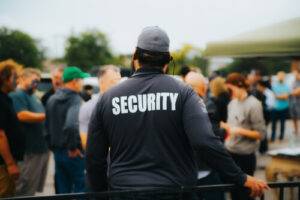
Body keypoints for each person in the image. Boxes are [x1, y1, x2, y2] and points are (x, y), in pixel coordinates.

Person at [86, 26, 268, 200]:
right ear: (168, 61)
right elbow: (205, 141)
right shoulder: (184, 93)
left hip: (125, 191)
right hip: (174, 190)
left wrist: (101, 193)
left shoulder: (107, 98)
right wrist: (240, 177)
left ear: (135, 56)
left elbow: (95, 156)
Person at [221, 72, 266, 200]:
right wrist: (226, 128)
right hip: (230, 153)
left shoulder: (254, 104)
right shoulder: (232, 103)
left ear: (239, 85)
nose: (228, 92)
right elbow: (232, 127)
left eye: (230, 89)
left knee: (244, 194)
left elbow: (261, 134)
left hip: (245, 157)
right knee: (234, 193)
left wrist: (239, 131)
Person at [45, 66, 90, 194]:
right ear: (75, 81)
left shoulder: (52, 98)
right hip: (73, 152)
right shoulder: (75, 99)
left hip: (58, 152)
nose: (82, 83)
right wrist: (72, 148)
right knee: (80, 188)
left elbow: (46, 128)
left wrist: (53, 148)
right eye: (81, 79)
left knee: (63, 190)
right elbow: (71, 125)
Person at [9, 68, 49, 196]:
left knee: (32, 189)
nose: (36, 84)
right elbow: (21, 115)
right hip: (28, 151)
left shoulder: (33, 96)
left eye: (38, 81)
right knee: (24, 188)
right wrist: (46, 116)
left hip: (40, 149)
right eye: (34, 81)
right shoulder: (17, 95)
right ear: (22, 79)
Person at [185, 71, 224, 200]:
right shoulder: (207, 106)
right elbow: (212, 139)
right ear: (203, 87)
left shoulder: (178, 106)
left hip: (188, 172)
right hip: (201, 172)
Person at [79, 65, 121, 149]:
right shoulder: (88, 107)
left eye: (119, 81)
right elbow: (85, 143)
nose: (118, 85)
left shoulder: (123, 103)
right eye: (113, 82)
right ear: (101, 82)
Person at [0, 60, 25, 198]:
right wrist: (10, 164)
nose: (18, 81)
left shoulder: (6, 98)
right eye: (15, 77)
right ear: (5, 78)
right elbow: (0, 135)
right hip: (3, 165)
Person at [271, 71, 290, 142]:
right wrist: (282, 95)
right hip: (275, 108)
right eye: (280, 76)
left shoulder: (287, 86)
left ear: (284, 77)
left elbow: (286, 96)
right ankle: (273, 137)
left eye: (282, 76)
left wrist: (280, 96)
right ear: (277, 77)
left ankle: (281, 137)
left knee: (283, 123)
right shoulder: (274, 85)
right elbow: (275, 96)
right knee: (274, 124)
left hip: (284, 107)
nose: (281, 77)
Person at [290, 67, 300, 136]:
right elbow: (292, 92)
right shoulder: (294, 82)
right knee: (294, 118)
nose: (295, 75)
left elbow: (296, 92)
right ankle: (296, 131)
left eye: (296, 74)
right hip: (293, 103)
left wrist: (293, 92)